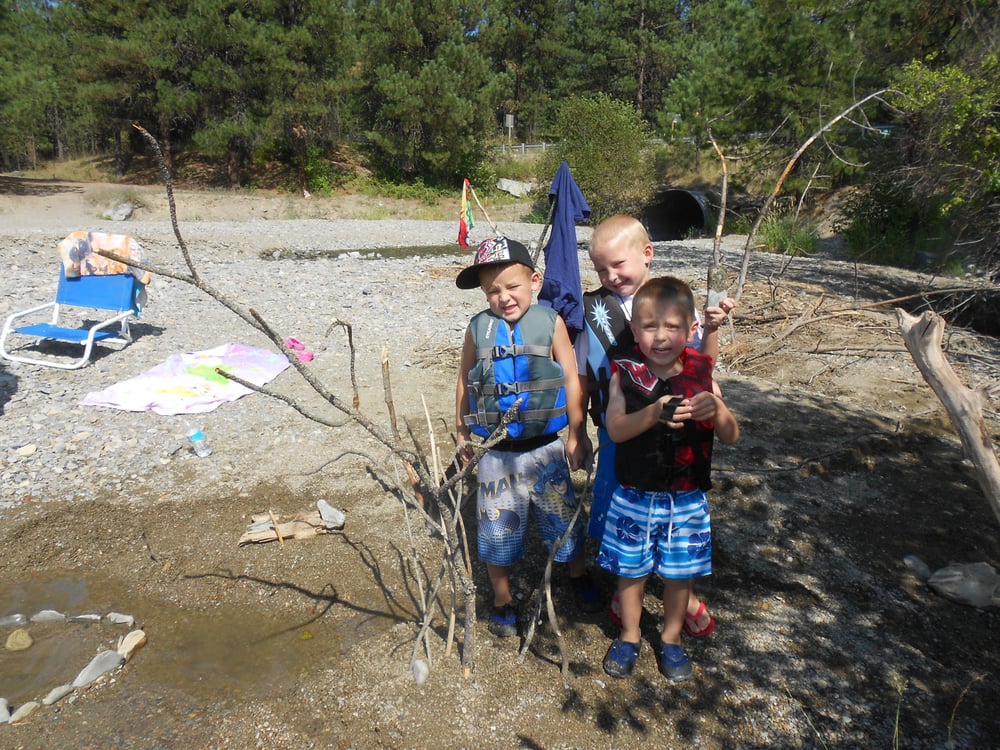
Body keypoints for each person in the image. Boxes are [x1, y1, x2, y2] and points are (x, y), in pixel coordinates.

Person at [576, 214, 734, 637]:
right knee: (620, 509)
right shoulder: (594, 307)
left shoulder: (670, 299)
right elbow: (584, 374)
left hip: (676, 431)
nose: (610, 277)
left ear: (647, 255)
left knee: (675, 519)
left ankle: (686, 599)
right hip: (621, 424)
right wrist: (577, 430)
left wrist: (713, 329)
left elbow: (703, 363)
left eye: (619, 266)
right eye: (600, 269)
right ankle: (626, 590)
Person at [595, 276, 739, 681]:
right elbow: (617, 430)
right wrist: (654, 411)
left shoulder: (702, 372)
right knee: (631, 573)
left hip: (687, 498)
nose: (661, 337)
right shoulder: (624, 373)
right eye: (649, 327)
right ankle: (629, 635)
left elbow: (731, 435)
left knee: (679, 576)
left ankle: (672, 638)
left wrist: (719, 411)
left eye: (673, 326)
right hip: (635, 496)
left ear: (691, 329)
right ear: (634, 331)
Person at [455, 236, 598, 638]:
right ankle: (503, 598)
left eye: (512, 287)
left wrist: (577, 432)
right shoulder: (477, 328)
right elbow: (464, 381)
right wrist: (463, 431)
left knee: (562, 519)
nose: (503, 297)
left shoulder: (550, 321)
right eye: (492, 291)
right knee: (495, 527)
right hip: (495, 453)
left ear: (534, 280)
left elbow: (571, 376)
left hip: (546, 449)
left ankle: (577, 572)